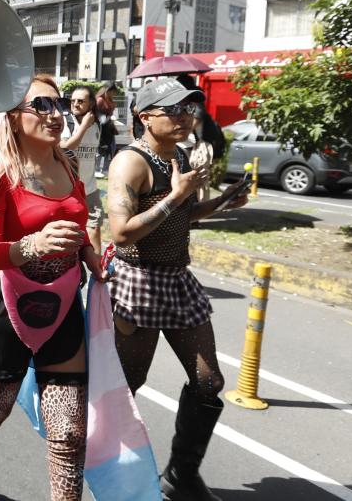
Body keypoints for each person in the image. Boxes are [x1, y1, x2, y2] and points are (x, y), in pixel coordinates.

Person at [106, 77, 248, 501]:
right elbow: (121, 232)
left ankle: (181, 476)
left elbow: (181, 218)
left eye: (189, 109)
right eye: (174, 110)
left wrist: (221, 203)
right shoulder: (130, 163)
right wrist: (176, 194)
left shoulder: (180, 155)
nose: (186, 117)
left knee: (209, 382)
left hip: (176, 279)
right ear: (144, 116)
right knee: (129, 385)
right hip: (138, 281)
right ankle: (110, 477)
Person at [0, 75, 99, 501]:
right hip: (8, 305)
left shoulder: (69, 163)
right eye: (41, 105)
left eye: (58, 103)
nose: (56, 114)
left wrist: (90, 254)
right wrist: (32, 246)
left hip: (64, 304)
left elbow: (78, 225)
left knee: (69, 431)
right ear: (12, 114)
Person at [61, 86, 103, 252]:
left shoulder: (97, 126)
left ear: (91, 104)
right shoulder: (66, 122)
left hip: (90, 189)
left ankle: (98, 273)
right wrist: (83, 126)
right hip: (69, 189)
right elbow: (67, 147)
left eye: (80, 101)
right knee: (70, 232)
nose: (75, 104)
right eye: (73, 101)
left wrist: (88, 125)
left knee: (95, 228)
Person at [95, 81, 120, 177]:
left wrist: (111, 118)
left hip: (109, 127)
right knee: (100, 149)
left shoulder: (109, 100)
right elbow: (97, 115)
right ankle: (96, 169)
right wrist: (106, 118)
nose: (114, 94)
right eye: (113, 91)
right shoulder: (100, 100)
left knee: (110, 149)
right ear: (108, 90)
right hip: (101, 128)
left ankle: (105, 169)